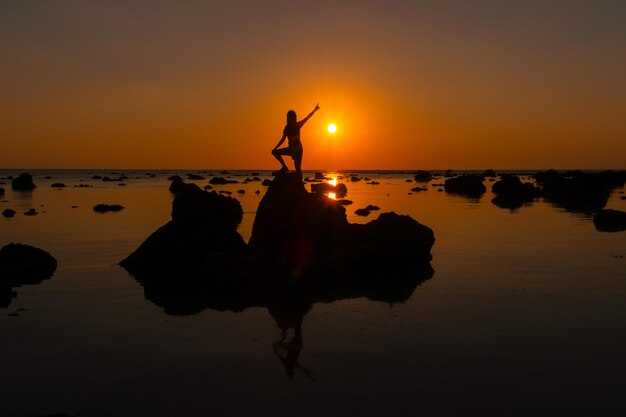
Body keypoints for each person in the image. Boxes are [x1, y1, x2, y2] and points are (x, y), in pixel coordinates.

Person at [271, 103, 319, 173]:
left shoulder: (296, 125)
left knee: (298, 170)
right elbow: (283, 139)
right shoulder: (288, 127)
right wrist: (275, 148)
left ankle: (292, 174)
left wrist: (315, 110)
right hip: (293, 149)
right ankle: (284, 167)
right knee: (275, 152)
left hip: (297, 150)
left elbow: (307, 117)